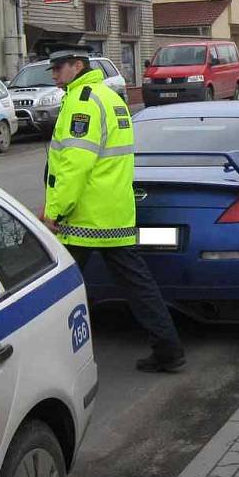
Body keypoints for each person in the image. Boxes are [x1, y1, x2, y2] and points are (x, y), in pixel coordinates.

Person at [41, 49, 185, 373]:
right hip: (115, 213)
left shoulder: (82, 101)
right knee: (139, 285)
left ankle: (49, 360)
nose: (53, 74)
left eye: (58, 67)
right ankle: (168, 349)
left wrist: (56, 211)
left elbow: (75, 165)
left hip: (83, 218)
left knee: (52, 288)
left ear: (77, 66)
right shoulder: (110, 97)